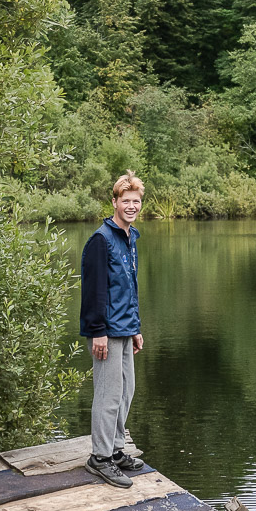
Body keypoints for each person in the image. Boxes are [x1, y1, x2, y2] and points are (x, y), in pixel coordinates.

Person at [80, 171, 148, 488]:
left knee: (126, 391)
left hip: (124, 327)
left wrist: (135, 328)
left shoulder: (130, 238)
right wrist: (97, 331)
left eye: (136, 201)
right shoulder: (101, 240)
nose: (132, 206)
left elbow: (128, 289)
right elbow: (95, 291)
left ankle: (117, 450)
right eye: (126, 201)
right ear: (114, 202)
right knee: (108, 396)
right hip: (106, 330)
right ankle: (100, 458)